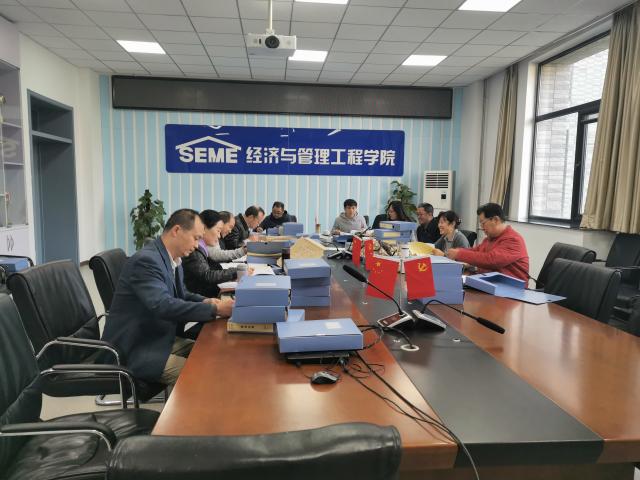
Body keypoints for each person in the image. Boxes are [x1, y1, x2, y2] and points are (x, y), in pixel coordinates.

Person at [102, 209, 234, 385]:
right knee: (207, 376)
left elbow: (182, 294)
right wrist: (215, 309)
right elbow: (164, 305)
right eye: (195, 238)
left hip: (159, 338)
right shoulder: (146, 261)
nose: (197, 245)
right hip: (136, 349)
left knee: (215, 352)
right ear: (177, 230)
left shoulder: (172, 258)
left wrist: (206, 300)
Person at [446, 203, 529, 282]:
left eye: (483, 223)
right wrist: (456, 251)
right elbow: (476, 251)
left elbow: (491, 260)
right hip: (490, 283)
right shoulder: (490, 239)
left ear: (495, 220)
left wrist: (459, 254)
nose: (482, 227)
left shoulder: (513, 240)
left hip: (511, 288)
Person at [182, 210, 239, 298]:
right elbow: (207, 276)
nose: (219, 236)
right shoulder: (194, 250)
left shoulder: (202, 248)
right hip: (199, 299)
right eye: (218, 231)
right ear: (204, 228)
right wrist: (236, 271)